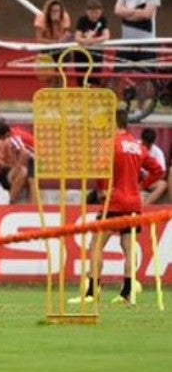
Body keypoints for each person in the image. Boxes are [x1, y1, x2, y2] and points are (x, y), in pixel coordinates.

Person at [70, 109, 164, 305]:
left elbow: (101, 170)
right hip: (134, 202)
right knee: (128, 248)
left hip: (114, 202)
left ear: (113, 122)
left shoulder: (110, 144)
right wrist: (141, 187)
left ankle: (91, 292)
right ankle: (128, 294)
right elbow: (159, 170)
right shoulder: (138, 146)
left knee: (96, 246)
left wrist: (102, 189)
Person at [74, 0, 111, 85]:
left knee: (95, 79)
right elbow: (77, 37)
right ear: (87, 12)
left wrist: (93, 41)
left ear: (101, 12)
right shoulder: (82, 20)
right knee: (81, 79)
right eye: (91, 13)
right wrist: (86, 41)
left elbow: (106, 35)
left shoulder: (103, 20)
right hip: (81, 55)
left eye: (96, 12)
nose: (94, 15)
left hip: (96, 54)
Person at [8, 125, 36, 203]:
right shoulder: (15, 131)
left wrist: (19, 166)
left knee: (31, 180)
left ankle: (12, 201)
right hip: (35, 153)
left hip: (34, 155)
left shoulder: (13, 137)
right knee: (31, 181)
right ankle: (33, 207)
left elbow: (25, 153)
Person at [140, 128, 168, 205]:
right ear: (142, 140)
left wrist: (147, 182)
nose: (146, 146)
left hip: (150, 181)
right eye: (144, 143)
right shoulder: (136, 147)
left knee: (163, 185)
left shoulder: (158, 152)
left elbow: (161, 173)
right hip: (136, 180)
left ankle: (145, 205)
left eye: (148, 144)